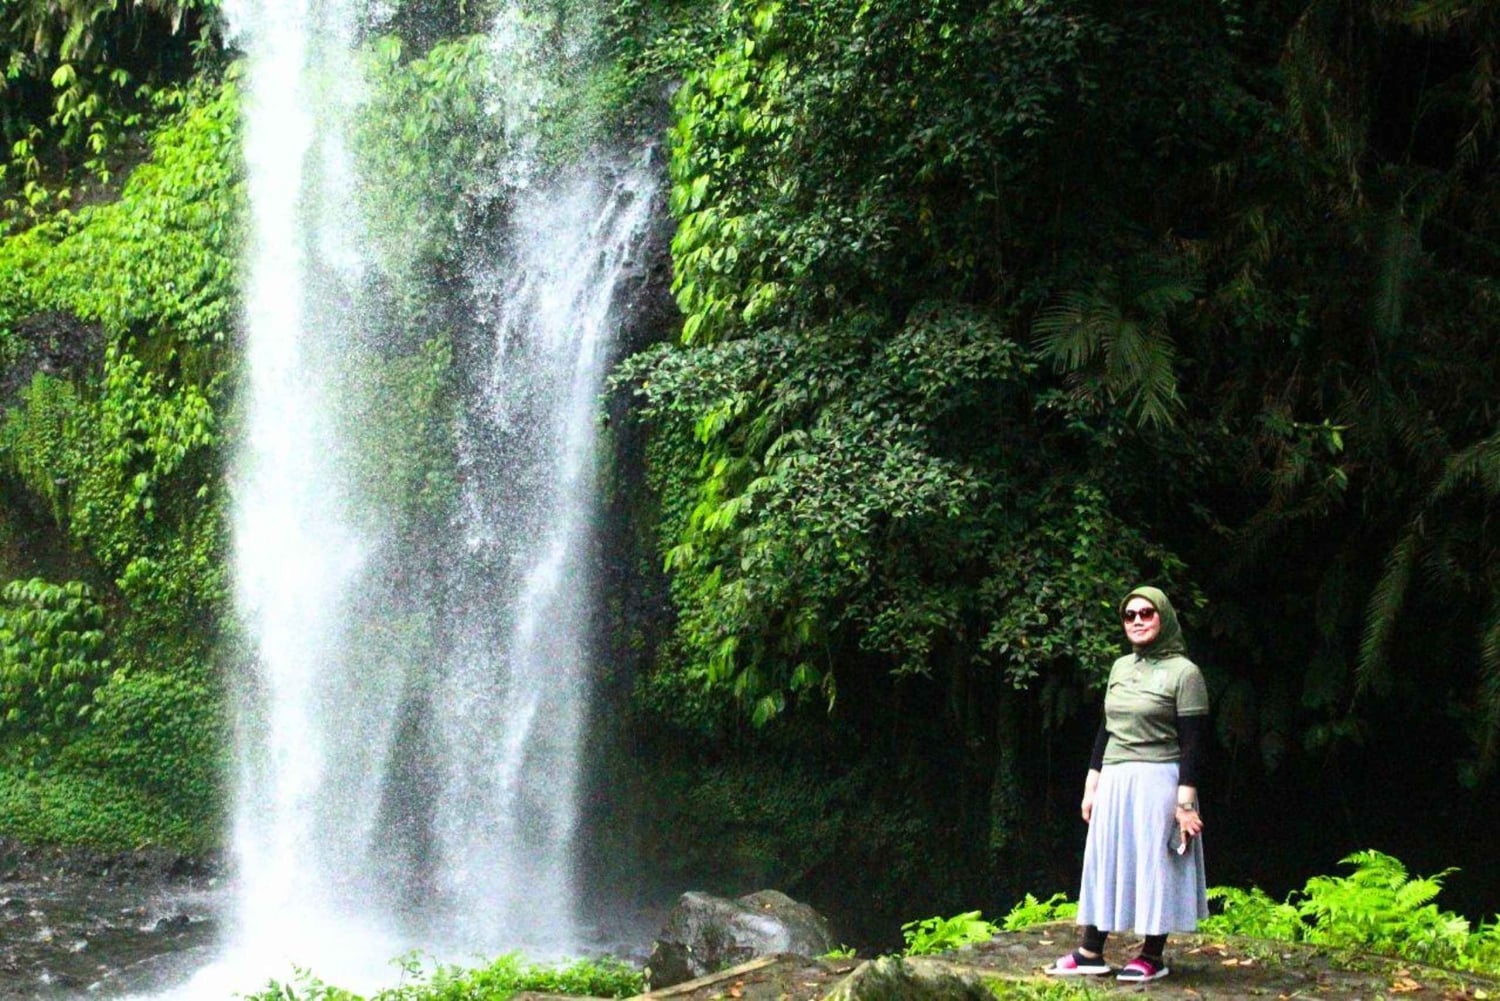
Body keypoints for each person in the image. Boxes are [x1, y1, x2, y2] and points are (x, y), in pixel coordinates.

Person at [1046, 585, 1209, 983]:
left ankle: (1152, 954)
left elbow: (1194, 742)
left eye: (1146, 613)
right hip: (1115, 778)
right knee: (1107, 858)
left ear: (1164, 617)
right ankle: (1090, 951)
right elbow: (1106, 728)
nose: (1137, 621)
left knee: (1156, 864)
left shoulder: (1184, 673)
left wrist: (1185, 804)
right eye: (1129, 615)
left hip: (1159, 779)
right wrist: (1092, 784)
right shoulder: (1120, 667)